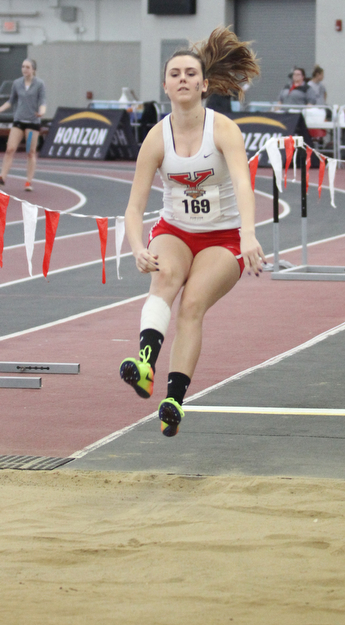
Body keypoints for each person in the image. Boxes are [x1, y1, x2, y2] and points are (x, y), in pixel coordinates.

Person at [119, 27, 266, 437]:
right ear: (165, 85)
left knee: (192, 305)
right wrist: (136, 247)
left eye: (190, 73)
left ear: (204, 84)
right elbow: (133, 207)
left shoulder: (223, 130)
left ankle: (174, 399)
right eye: (175, 73)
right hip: (175, 230)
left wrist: (250, 234)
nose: (182, 78)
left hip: (223, 238)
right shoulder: (156, 138)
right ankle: (145, 365)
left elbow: (242, 183)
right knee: (165, 276)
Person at [0, 58, 46, 191]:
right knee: (10, 149)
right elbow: (11, 101)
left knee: (30, 152)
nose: (24, 69)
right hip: (19, 122)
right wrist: (1, 108)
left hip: (32, 124)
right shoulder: (17, 83)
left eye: (27, 67)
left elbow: (43, 101)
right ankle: (2, 176)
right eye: (23, 67)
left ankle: (28, 181)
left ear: (33, 70)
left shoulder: (39, 84)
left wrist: (42, 112)